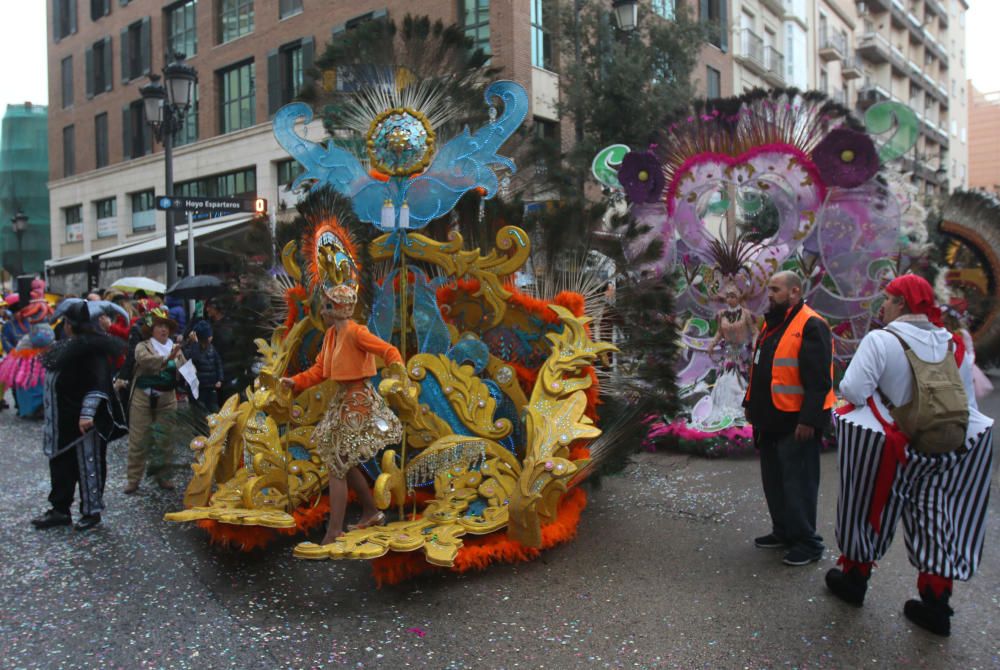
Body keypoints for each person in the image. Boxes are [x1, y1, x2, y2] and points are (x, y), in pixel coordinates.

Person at [825, 275, 993, 637]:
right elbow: (965, 400)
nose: (882, 306)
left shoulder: (881, 340)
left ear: (902, 302)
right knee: (935, 517)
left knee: (868, 508)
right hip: (941, 448)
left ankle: (854, 580)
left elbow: (853, 389)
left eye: (888, 299)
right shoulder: (952, 343)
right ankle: (936, 605)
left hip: (894, 448)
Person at [280, 284, 403, 545]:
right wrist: (296, 382)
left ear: (338, 310)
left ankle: (334, 531)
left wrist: (399, 378)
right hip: (343, 400)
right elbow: (320, 370)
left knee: (337, 463)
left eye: (326, 307)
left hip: (357, 401)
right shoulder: (330, 336)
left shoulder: (357, 332)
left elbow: (389, 351)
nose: (322, 312)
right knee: (341, 461)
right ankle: (370, 512)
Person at [744, 270, 834, 566]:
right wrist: (750, 404)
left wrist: (809, 420)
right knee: (775, 482)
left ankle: (808, 542)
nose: (769, 294)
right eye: (769, 289)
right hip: (770, 420)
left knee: (798, 484)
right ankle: (783, 531)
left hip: (795, 423)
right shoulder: (773, 324)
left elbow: (819, 380)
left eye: (775, 289)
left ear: (794, 292)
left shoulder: (810, 324)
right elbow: (761, 370)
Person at [31, 301, 126, 531]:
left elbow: (98, 384)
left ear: (71, 326)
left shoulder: (91, 351)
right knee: (61, 465)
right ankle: (60, 509)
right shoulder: (69, 346)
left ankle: (91, 511)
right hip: (63, 421)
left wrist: (87, 414)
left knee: (88, 466)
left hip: (84, 423)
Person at [124, 307, 186, 494]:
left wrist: (187, 372)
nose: (163, 330)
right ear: (152, 329)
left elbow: (183, 366)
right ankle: (133, 479)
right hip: (143, 398)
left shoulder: (175, 348)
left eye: (166, 326)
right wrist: (168, 359)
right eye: (159, 326)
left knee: (165, 439)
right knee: (138, 439)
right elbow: (145, 361)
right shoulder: (143, 346)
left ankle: (164, 476)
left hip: (167, 398)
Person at [182, 320, 224, 413]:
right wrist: (195, 343)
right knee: (200, 412)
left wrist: (220, 379)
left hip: (211, 386)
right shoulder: (192, 347)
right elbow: (195, 358)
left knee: (215, 411)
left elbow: (218, 363)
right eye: (208, 336)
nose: (211, 337)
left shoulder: (212, 348)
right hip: (198, 389)